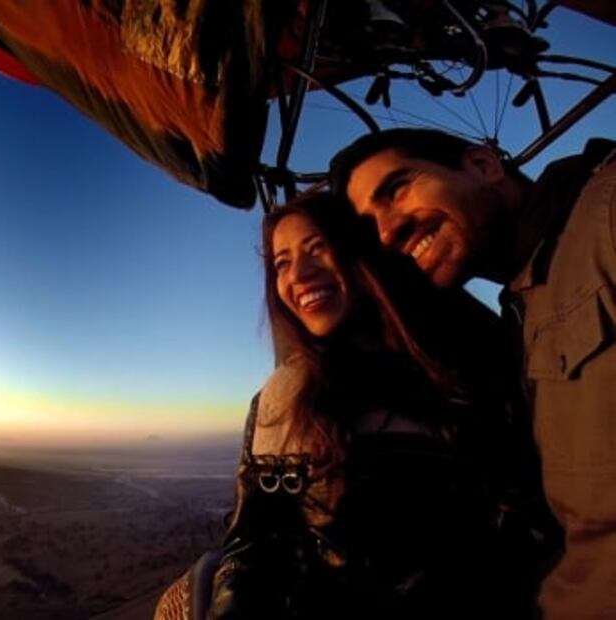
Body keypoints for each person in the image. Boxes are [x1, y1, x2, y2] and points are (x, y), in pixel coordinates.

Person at [154, 192, 551, 619]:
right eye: (281, 263)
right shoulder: (285, 396)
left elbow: (522, 508)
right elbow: (259, 539)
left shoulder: (468, 359)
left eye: (316, 248)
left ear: (360, 254)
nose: (299, 274)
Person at [329, 129, 615, 619]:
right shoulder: (528, 301)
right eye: (368, 226)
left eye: (397, 189)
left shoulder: (605, 213)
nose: (386, 234)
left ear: (483, 166)